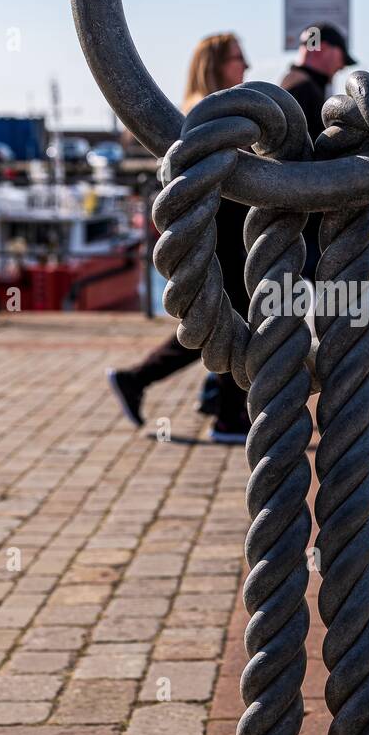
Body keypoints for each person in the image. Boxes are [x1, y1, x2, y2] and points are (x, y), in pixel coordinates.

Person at [107, 32, 251, 443]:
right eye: (237, 58)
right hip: (220, 235)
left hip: (222, 231)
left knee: (221, 323)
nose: (246, 66)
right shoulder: (204, 117)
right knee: (230, 323)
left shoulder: (208, 114)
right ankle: (225, 417)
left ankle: (206, 402)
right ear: (215, 65)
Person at [281, 23, 369, 416]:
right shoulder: (303, 90)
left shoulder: (297, 85)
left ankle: (365, 384)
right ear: (322, 48)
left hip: (305, 229)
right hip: (310, 232)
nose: (341, 66)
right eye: (340, 56)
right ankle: (365, 384)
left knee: (338, 306)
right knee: (349, 303)